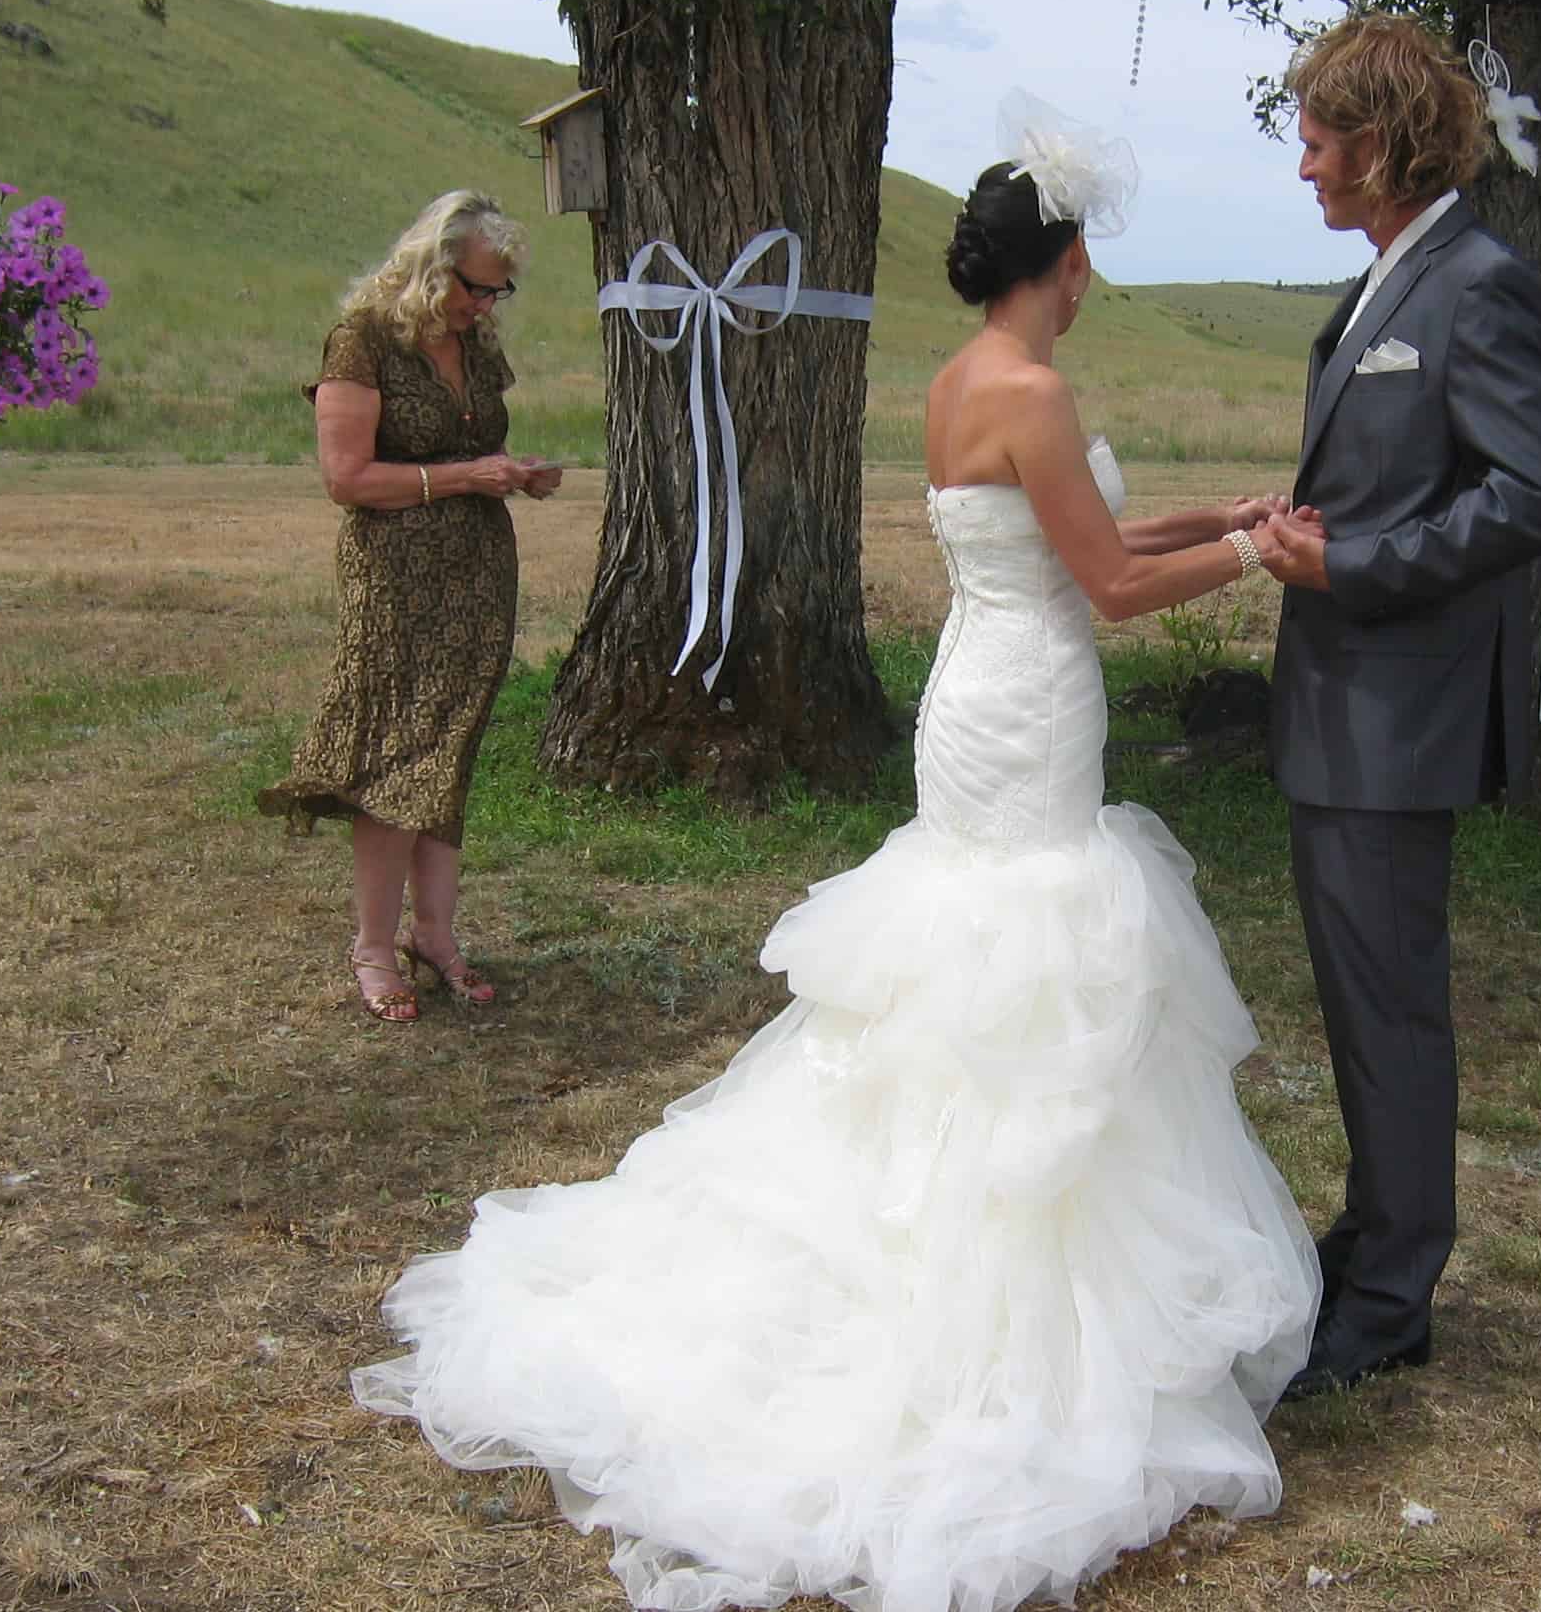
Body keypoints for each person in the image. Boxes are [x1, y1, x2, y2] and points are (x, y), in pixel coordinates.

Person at [350, 113, 1321, 1612]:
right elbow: (1117, 585)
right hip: (1028, 703)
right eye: (1087, 266)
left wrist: (1229, 510)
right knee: (1028, 945)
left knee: (978, 938)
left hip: (983, 691)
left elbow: (1087, 530)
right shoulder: (1037, 390)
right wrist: (1259, 561)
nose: (1090, 288)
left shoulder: (960, 383)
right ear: (1056, 264)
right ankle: (984, 1275)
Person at [1253, 15, 1541, 1400]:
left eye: (1322, 142)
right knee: (1361, 1001)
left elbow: (1536, 493)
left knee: (1392, 1012)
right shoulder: (1395, 279)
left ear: (1382, 146)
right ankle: (1372, 1240)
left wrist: (1356, 565)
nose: (1309, 169)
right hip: (1344, 709)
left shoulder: (1477, 283)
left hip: (1398, 717)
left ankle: (1391, 1299)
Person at [258, 190, 561, 1023]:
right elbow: (346, 480)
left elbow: (473, 447)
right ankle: (370, 946)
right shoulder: (362, 343)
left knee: (448, 755)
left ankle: (436, 935)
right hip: (397, 581)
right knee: (397, 760)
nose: (485, 304)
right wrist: (467, 476)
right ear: (434, 266)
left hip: (476, 578)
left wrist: (514, 471)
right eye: (476, 286)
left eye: (499, 291)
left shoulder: (475, 342)